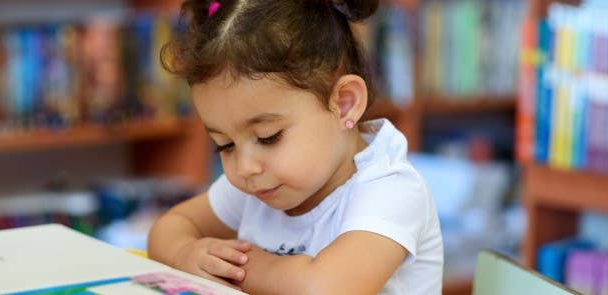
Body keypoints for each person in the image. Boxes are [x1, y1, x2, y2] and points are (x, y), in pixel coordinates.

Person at [148, 0, 443, 294]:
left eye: (268, 137)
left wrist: (231, 266)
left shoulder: (391, 190)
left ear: (344, 104)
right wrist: (185, 253)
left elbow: (324, 288)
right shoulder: (259, 185)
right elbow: (170, 226)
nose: (244, 167)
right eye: (224, 145)